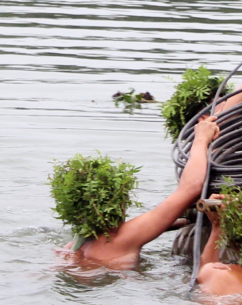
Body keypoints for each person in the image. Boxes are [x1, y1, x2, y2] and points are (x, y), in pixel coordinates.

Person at [70, 115, 220, 268]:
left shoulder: (74, 245)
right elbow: (191, 188)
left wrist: (180, 221)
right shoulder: (119, 239)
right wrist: (201, 139)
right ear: (114, 204)